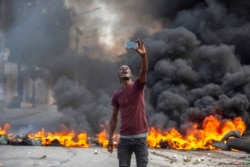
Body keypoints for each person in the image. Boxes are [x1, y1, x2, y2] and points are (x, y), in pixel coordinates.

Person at [107, 38, 149, 167]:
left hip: (140, 139)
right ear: (119, 77)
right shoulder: (117, 94)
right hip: (124, 139)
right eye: (121, 69)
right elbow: (114, 119)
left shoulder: (138, 86)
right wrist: (110, 138)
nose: (124, 69)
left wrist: (143, 56)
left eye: (127, 68)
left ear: (131, 74)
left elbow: (144, 71)